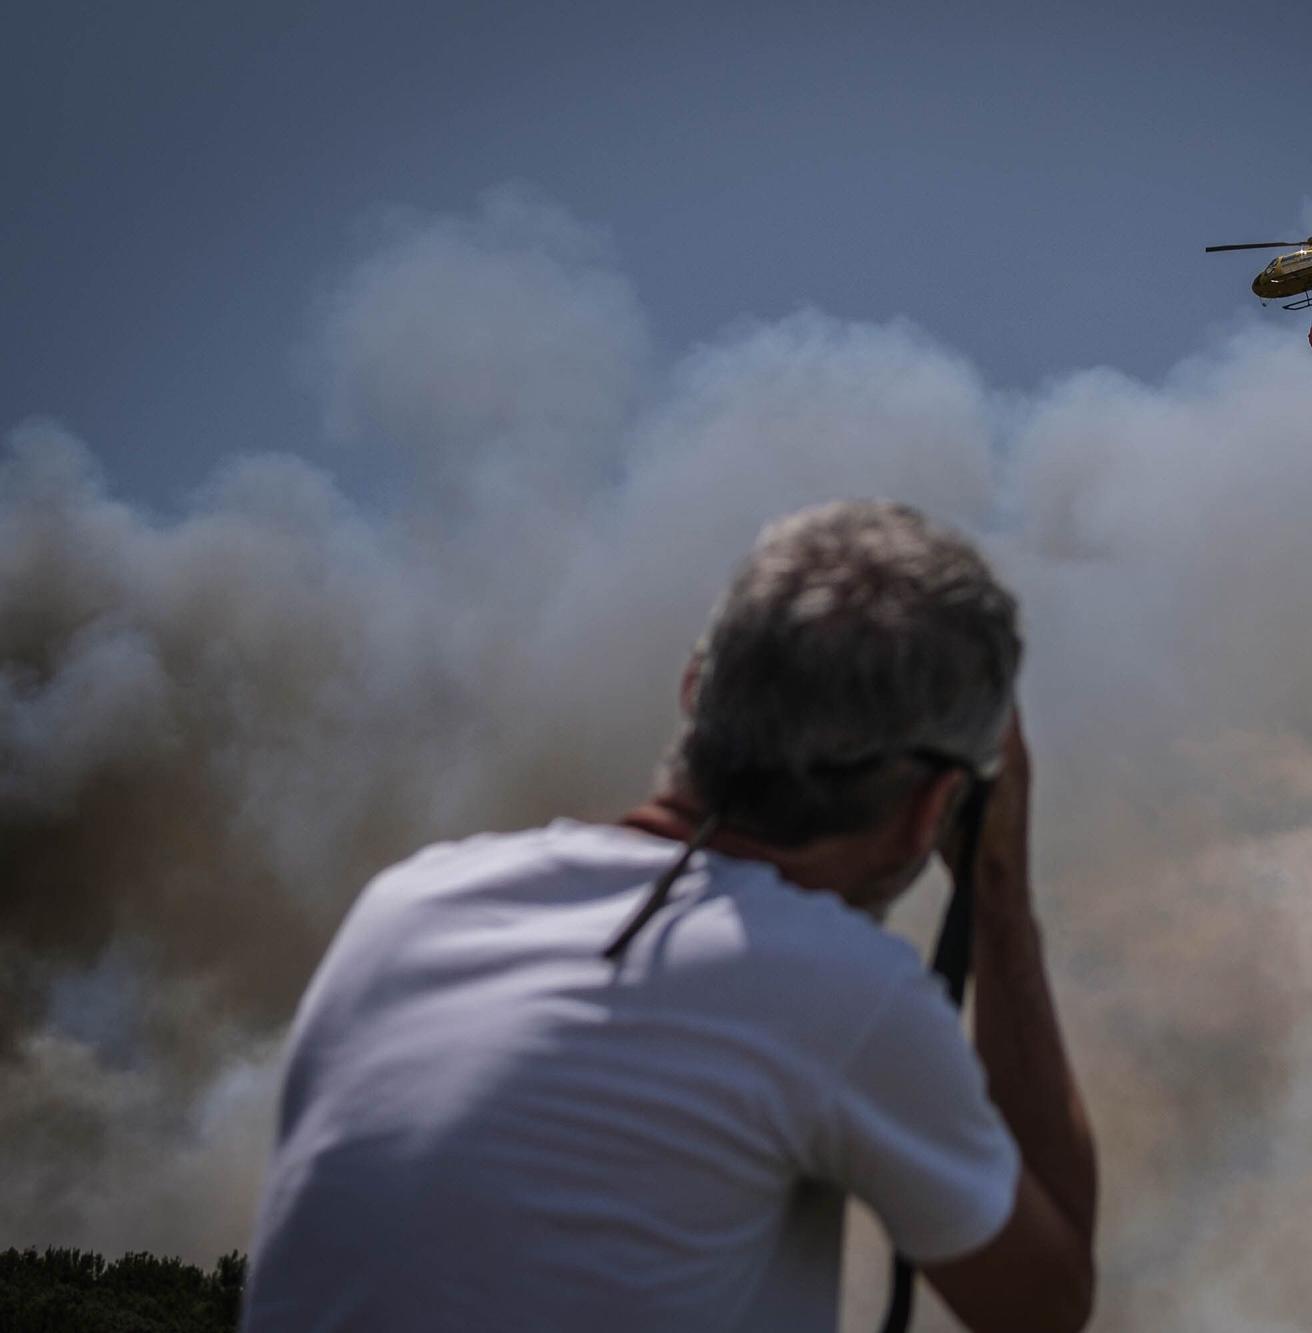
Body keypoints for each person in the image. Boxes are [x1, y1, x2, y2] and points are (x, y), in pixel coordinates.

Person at [244, 500, 1097, 1331]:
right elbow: (1044, 1307)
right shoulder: (841, 989)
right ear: (935, 806)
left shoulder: (404, 908)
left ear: (694, 690)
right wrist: (999, 898)